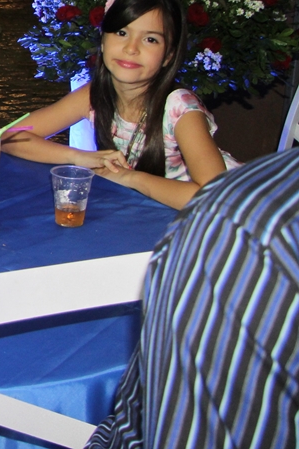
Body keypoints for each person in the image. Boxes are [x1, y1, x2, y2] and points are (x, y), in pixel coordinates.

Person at [86, 148, 299, 448]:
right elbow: (21, 137)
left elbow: (209, 188)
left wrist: (132, 178)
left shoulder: (244, 234)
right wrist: (85, 157)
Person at [1, 0, 238, 209]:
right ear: (103, 40)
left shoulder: (180, 107)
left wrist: (131, 178)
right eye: (121, 32)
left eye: (150, 39)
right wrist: (80, 158)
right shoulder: (95, 95)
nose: (131, 48)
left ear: (168, 55)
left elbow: (215, 197)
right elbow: (9, 136)